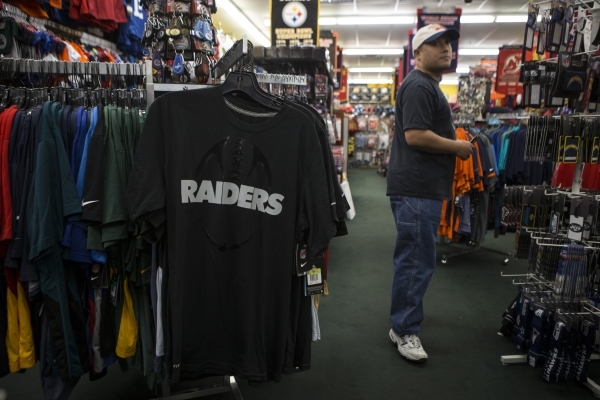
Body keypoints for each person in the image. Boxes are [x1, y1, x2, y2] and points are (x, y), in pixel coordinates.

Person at [386, 24, 474, 363]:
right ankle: (404, 330)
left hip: (420, 187)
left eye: (448, 44)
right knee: (415, 261)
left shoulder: (426, 85)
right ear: (417, 52)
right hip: (416, 188)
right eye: (435, 44)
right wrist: (457, 147)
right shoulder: (420, 86)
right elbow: (416, 136)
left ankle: (403, 320)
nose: (446, 49)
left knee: (416, 259)